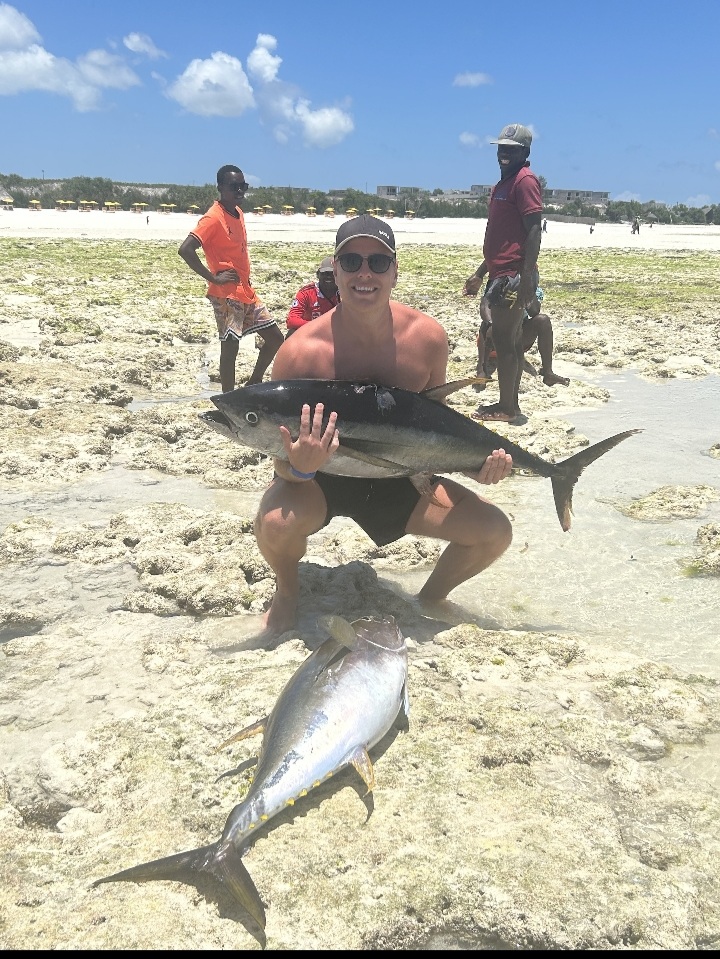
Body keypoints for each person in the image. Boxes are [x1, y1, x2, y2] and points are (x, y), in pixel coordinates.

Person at [254, 214, 514, 636]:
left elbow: (434, 429)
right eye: (351, 261)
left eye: (377, 262)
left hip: (400, 476)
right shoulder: (300, 353)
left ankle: (429, 599)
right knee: (275, 523)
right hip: (320, 478)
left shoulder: (427, 339)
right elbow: (279, 459)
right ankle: (286, 592)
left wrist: (473, 466)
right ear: (334, 270)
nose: (364, 273)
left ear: (394, 272)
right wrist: (300, 468)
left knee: (494, 531)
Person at [178, 164, 283, 391]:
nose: (240, 191)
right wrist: (214, 278)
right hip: (226, 294)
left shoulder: (238, 212)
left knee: (275, 338)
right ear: (220, 187)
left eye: (243, 186)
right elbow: (186, 249)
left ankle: (254, 381)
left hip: (246, 291)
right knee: (230, 348)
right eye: (234, 187)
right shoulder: (213, 218)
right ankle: (227, 399)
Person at [463, 123, 543, 423]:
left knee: (505, 341)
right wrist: (480, 273)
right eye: (501, 148)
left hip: (513, 275)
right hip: (501, 273)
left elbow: (533, 231)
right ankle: (510, 403)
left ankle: (507, 408)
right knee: (508, 340)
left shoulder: (525, 181)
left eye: (511, 149)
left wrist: (526, 280)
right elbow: (503, 238)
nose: (504, 153)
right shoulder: (503, 184)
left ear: (525, 152)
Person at [475, 282, 570, 388]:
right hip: (494, 340)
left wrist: (526, 290)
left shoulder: (531, 287)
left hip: (518, 339)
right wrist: (492, 323)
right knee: (486, 325)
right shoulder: (496, 282)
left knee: (543, 320)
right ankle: (481, 369)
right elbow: (484, 308)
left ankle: (548, 373)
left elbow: (534, 311)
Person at [285, 256, 339, 337]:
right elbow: (291, 320)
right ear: (318, 274)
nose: (329, 276)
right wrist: (318, 327)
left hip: (337, 333)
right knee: (291, 333)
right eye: (325, 273)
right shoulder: (306, 293)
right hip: (311, 333)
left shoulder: (345, 292)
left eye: (332, 273)